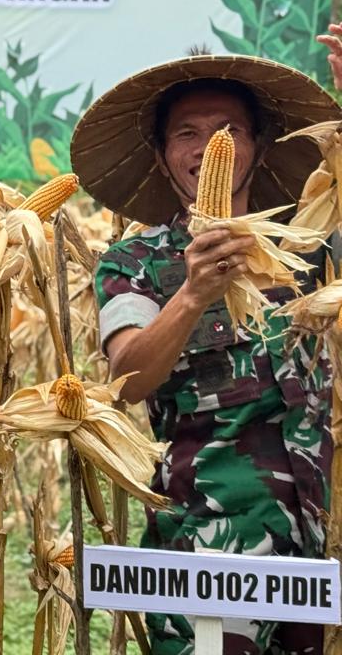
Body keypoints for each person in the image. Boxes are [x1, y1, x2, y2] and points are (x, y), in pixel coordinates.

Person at [71, 54, 340, 655]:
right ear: (164, 155)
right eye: (186, 134)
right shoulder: (134, 265)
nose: (206, 147)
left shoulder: (316, 251)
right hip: (210, 544)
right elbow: (128, 377)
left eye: (227, 131)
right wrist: (192, 293)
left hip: (320, 541)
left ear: (260, 146)